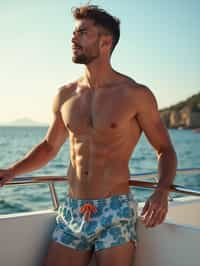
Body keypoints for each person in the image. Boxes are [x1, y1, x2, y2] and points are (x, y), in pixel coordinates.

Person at [0, 5, 177, 266]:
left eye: (83, 32)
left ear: (106, 42)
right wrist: (12, 171)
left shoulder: (135, 94)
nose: (73, 38)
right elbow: (50, 147)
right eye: (74, 33)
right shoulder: (65, 94)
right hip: (72, 209)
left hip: (114, 209)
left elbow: (165, 149)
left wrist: (162, 190)